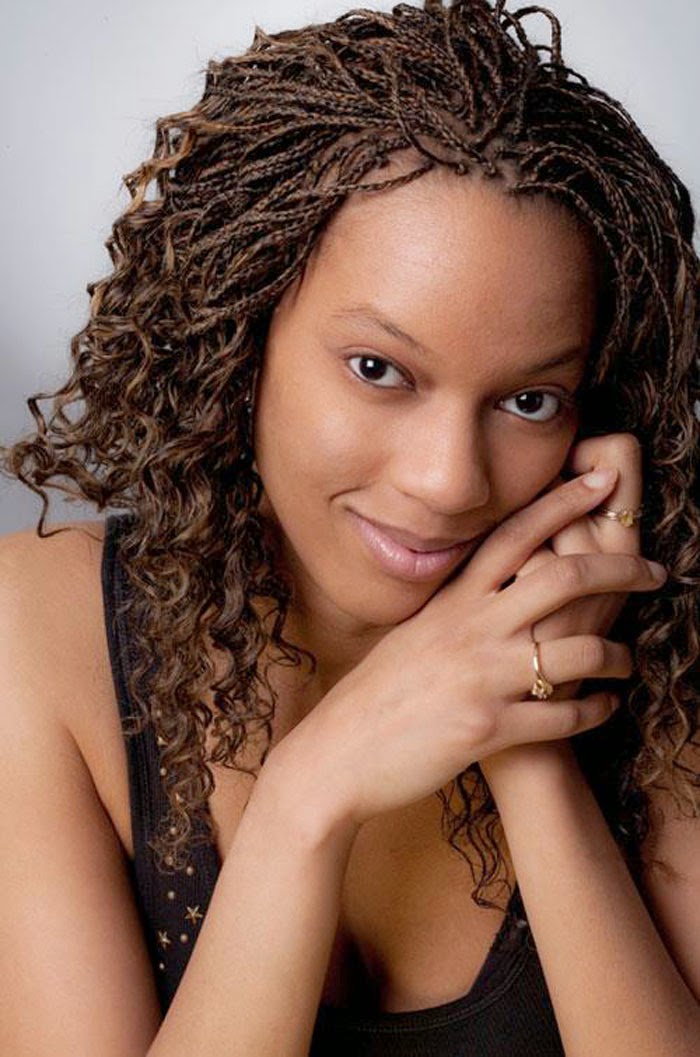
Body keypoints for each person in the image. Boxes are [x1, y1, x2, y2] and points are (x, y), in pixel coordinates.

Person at [0, 0, 698, 1054]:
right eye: (379, 370)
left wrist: (530, 741)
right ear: (240, 336)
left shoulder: (661, 655)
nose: (448, 480)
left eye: (529, 400)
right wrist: (307, 798)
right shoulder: (42, 634)